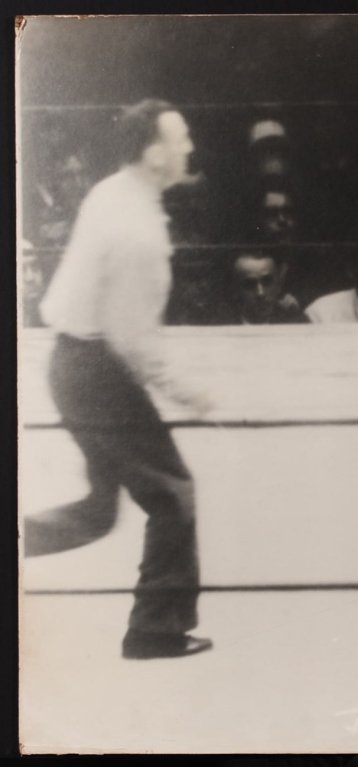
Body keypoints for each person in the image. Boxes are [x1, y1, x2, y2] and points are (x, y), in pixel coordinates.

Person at [23, 99, 215, 660]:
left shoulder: (111, 191)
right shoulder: (139, 232)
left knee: (96, 511)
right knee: (173, 494)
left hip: (74, 362)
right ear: (155, 153)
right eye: (180, 139)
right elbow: (132, 341)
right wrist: (190, 391)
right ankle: (156, 631)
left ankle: (156, 626)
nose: (190, 148)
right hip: (96, 371)